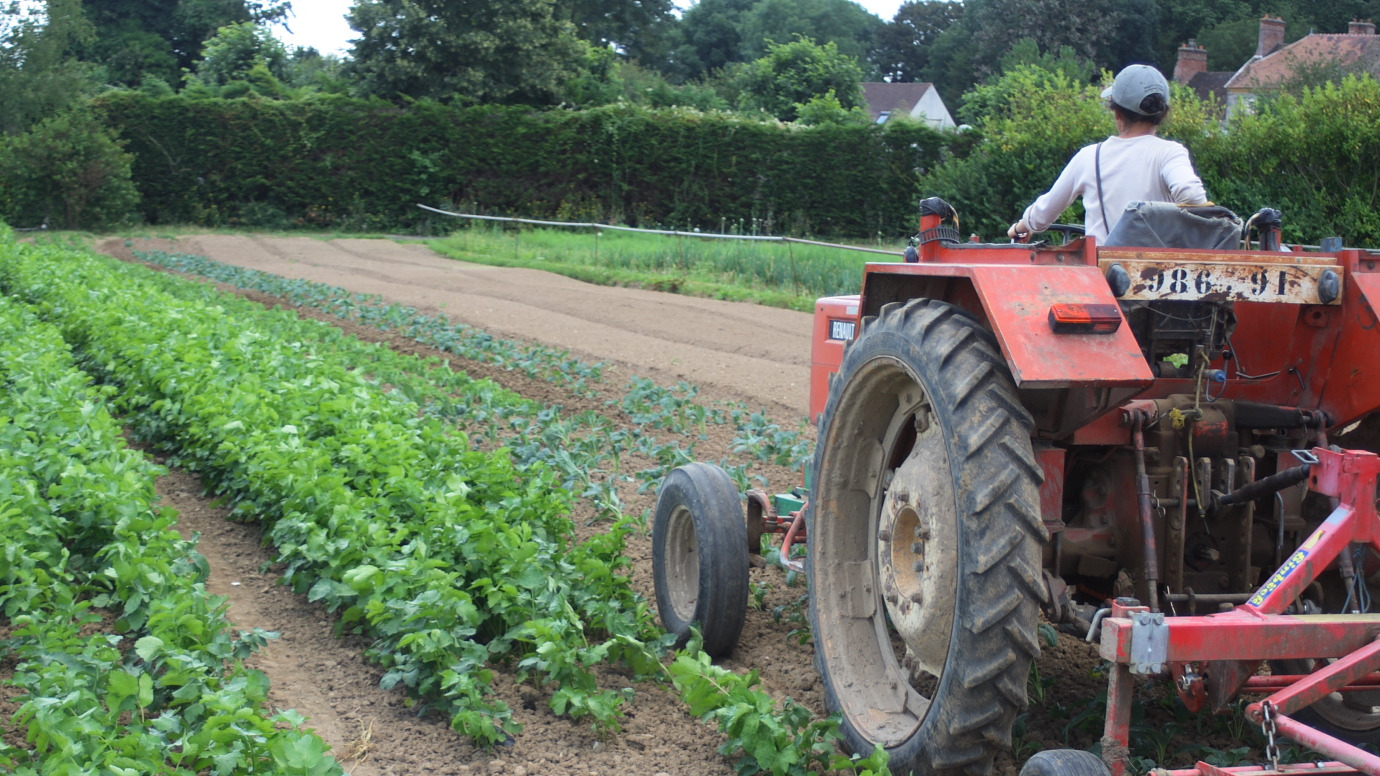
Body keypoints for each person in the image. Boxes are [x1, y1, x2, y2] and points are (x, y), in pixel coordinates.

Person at [1007, 64, 1209, 243]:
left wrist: (1022, 227)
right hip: (1158, 279)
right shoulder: (1170, 152)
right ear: (1162, 114)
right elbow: (1190, 194)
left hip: (1102, 278)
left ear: (1117, 113)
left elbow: (1043, 213)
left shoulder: (1089, 157)